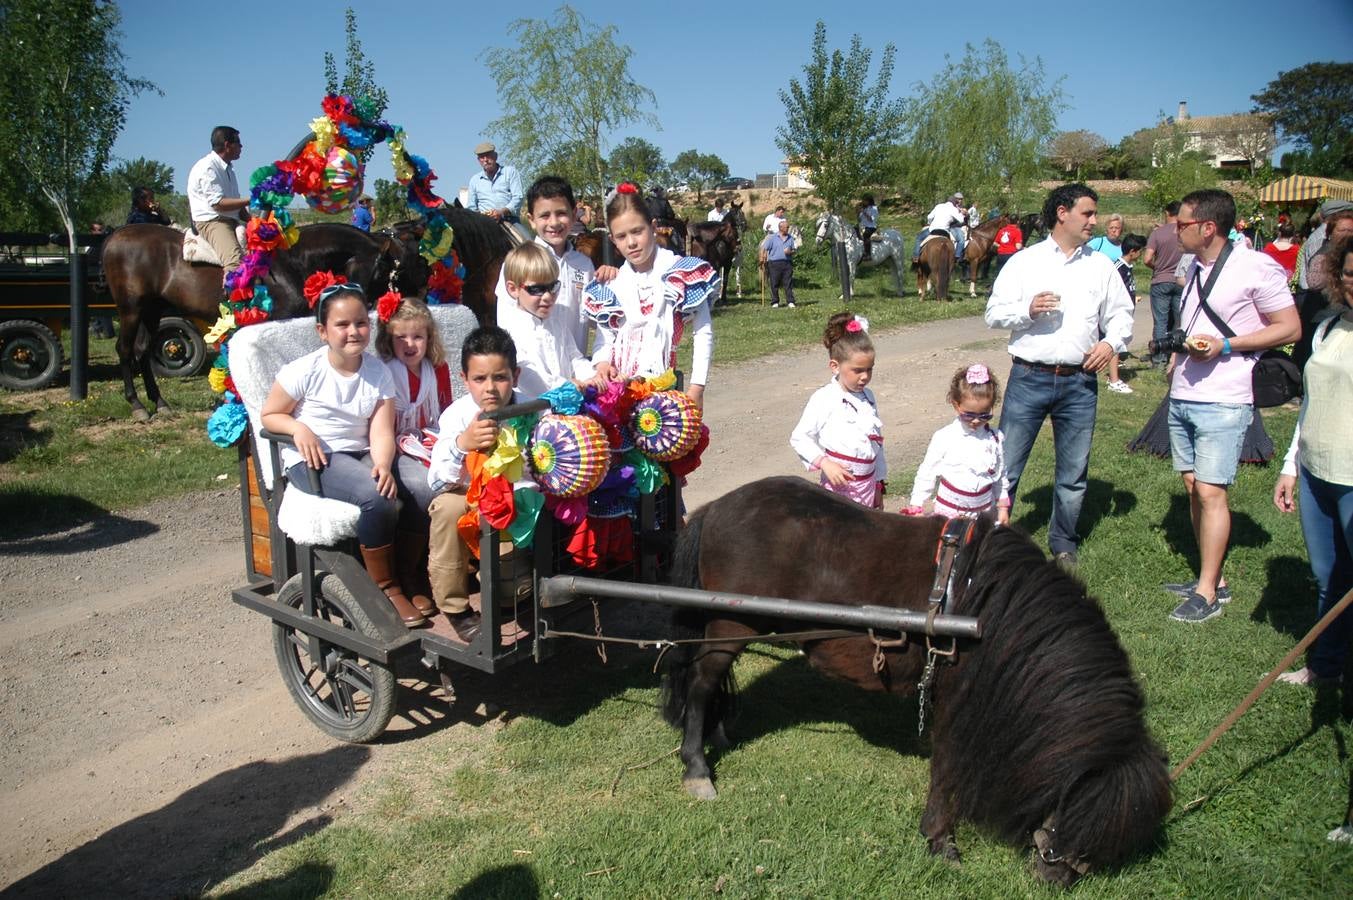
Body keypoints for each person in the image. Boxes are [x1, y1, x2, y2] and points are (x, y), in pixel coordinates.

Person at [1162, 188, 1300, 623]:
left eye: (1181, 224)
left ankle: (1207, 593)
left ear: (1208, 227)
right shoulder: (1192, 265)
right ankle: (1213, 577)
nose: (1174, 230)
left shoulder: (1256, 267)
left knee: (1211, 490)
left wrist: (1225, 344)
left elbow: (1290, 327)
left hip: (1225, 396)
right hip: (1184, 391)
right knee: (1191, 486)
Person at [260, 282, 427, 629]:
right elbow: (270, 414)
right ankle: (385, 586)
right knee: (375, 497)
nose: (353, 331)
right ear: (322, 331)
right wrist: (298, 429)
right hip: (317, 457)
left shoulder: (378, 371)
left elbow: (381, 430)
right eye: (342, 325)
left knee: (423, 486)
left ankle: (409, 574)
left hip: (363, 451)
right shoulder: (304, 370)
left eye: (360, 323)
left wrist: (382, 463)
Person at [984, 182, 1134, 565]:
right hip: (1028, 378)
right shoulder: (1025, 261)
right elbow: (993, 313)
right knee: (1006, 466)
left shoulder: (1101, 266)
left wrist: (1110, 343)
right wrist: (1027, 310)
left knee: (1073, 470)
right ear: (1062, 213)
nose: (1094, 222)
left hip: (1079, 382)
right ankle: (992, 537)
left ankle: (1063, 542)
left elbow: (1121, 315)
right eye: (1088, 213)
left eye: (1095, 214)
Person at [1273, 234, 1353, 684]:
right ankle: (1325, 668)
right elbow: (1310, 405)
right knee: (1329, 580)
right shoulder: (1328, 326)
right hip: (1316, 471)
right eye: (1349, 273)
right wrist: (1290, 464)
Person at [426, 326, 528, 643]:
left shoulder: (530, 411)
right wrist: (463, 443)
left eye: (500, 377)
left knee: (513, 592)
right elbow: (436, 478)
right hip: (473, 503)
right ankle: (457, 610)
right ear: (464, 378)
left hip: (516, 507)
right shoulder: (458, 415)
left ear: (516, 375)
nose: (491, 389)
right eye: (479, 379)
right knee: (446, 507)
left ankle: (508, 588)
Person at [584, 183, 715, 409]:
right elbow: (605, 337)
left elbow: (703, 331)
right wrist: (602, 362)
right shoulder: (613, 283)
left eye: (637, 231)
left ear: (653, 227)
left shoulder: (681, 273)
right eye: (622, 236)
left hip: (662, 391)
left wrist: (697, 387)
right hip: (618, 394)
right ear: (613, 241)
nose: (631, 243)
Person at [374, 296, 454, 620]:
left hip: (429, 440)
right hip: (393, 445)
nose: (410, 344)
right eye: (401, 337)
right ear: (388, 339)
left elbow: (446, 412)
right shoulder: (384, 371)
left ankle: (455, 568)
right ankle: (410, 572)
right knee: (424, 488)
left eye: (418, 336)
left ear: (429, 338)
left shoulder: (437, 369)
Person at [495, 175, 615, 357]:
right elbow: (506, 325)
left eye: (561, 213)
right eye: (544, 215)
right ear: (532, 220)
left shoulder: (584, 265)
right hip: (533, 376)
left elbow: (597, 320)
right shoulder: (517, 264)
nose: (554, 223)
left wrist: (612, 282)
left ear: (574, 215)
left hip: (576, 372)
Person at [790, 312, 885, 508]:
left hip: (867, 487)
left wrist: (879, 483)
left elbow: (876, 444)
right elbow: (800, 437)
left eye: (870, 369)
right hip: (839, 490)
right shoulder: (824, 398)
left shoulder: (869, 397)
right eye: (857, 370)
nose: (865, 377)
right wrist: (824, 463)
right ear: (835, 366)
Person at [497, 241, 614, 397]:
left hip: (569, 403)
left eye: (553, 287)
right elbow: (526, 373)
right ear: (513, 289)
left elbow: (574, 357)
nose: (547, 296)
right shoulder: (511, 329)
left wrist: (590, 377)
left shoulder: (556, 320)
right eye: (537, 289)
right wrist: (563, 385)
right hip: (533, 410)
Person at [902, 363, 1010, 523]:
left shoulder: (995, 438)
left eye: (984, 415)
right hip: (950, 513)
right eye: (969, 415)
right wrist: (917, 505)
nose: (975, 420)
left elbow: (1000, 476)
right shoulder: (945, 437)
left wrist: (1002, 508)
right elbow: (927, 473)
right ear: (956, 404)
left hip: (984, 514)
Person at [187, 125, 249, 280]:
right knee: (235, 262)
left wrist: (255, 221)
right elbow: (218, 204)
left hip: (230, 219)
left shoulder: (229, 169)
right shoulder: (207, 167)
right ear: (227, 145)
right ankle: (234, 303)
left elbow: (237, 204)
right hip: (212, 221)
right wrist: (251, 199)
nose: (242, 147)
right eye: (238, 143)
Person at [1105, 233, 1148, 395]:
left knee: (1120, 343)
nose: (1141, 254)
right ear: (1132, 251)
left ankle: (1114, 374)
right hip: (1115, 312)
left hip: (1126, 311)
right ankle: (1114, 380)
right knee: (1115, 343)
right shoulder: (1117, 268)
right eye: (1140, 251)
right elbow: (1110, 289)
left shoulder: (1128, 268)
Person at [1144, 202, 1185, 367]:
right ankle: (1176, 355)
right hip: (1181, 281)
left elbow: (1147, 259)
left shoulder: (1158, 233)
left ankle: (1159, 358)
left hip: (1161, 280)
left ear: (1167, 213)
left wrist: (1158, 267)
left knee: (1160, 321)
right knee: (1179, 321)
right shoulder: (1185, 232)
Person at [466, 141, 526, 238]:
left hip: (510, 220)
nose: (485, 160)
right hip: (484, 224)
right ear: (478, 160)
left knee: (529, 244)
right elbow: (471, 207)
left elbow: (518, 197)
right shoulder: (474, 180)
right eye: (482, 157)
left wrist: (501, 212)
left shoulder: (510, 172)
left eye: (488, 155)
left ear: (495, 156)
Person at [914, 192, 967, 262]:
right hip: (945, 231)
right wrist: (962, 214)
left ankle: (916, 256)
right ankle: (957, 256)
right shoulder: (953, 209)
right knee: (960, 240)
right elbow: (961, 220)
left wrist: (930, 223)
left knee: (918, 238)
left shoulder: (938, 206)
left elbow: (929, 217)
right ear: (954, 203)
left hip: (932, 229)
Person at [761, 218, 798, 309]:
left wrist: (791, 251)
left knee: (788, 283)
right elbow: (764, 248)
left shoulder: (790, 238)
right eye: (786, 227)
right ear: (781, 228)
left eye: (788, 227)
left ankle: (790, 301)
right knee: (774, 283)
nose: (788, 229)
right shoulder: (772, 238)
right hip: (774, 263)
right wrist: (762, 258)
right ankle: (775, 301)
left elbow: (794, 250)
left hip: (787, 262)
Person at [858, 195, 878, 261]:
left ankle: (868, 254)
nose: (863, 202)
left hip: (871, 227)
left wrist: (864, 212)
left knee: (866, 235)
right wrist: (858, 212)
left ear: (869, 201)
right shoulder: (865, 208)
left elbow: (871, 219)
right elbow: (860, 220)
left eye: (865, 200)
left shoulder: (874, 208)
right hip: (863, 226)